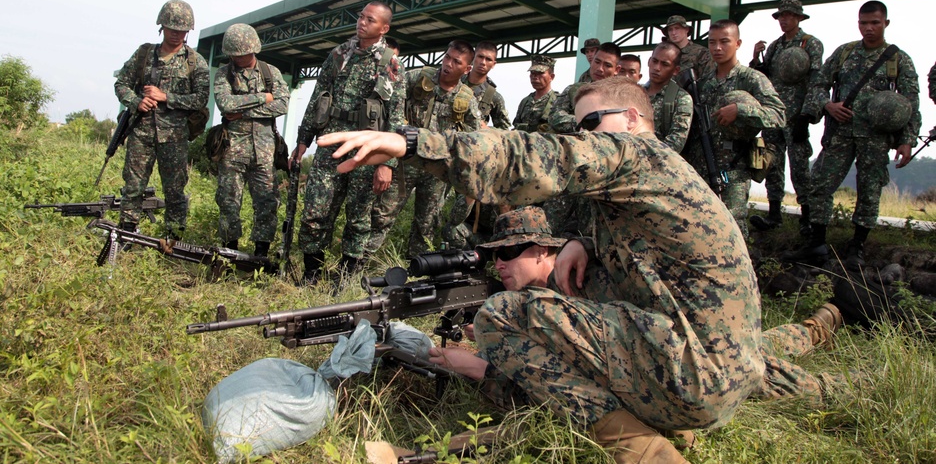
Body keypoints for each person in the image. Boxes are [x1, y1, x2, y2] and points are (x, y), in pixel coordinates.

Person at [314, 78, 783, 462]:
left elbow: (536, 157)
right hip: (724, 372)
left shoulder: (639, 154)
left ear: (634, 120)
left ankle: (645, 451)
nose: (585, 138)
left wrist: (413, 143)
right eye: (579, 129)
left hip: (694, 373)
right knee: (579, 290)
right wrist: (584, 241)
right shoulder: (653, 181)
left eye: (593, 124)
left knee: (502, 316)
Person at [429, 207, 844, 451]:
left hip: (687, 360)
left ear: (542, 252)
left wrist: (483, 371)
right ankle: (816, 326)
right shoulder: (534, 303)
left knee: (776, 375)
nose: (499, 264)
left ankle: (841, 376)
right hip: (682, 354)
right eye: (493, 256)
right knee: (766, 344)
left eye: (509, 253)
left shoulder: (590, 280)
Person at [789, 0, 922, 267]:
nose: (869, 28)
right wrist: (828, 105)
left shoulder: (898, 59)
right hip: (840, 133)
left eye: (875, 23)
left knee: (870, 191)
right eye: (864, 23)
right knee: (819, 186)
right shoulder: (844, 53)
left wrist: (907, 140)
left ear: (886, 23)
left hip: (875, 138)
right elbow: (818, 84)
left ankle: (857, 247)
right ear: (858, 23)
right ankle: (816, 244)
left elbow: (910, 102)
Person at [290, 1, 406, 284]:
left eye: (370, 19)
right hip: (330, 144)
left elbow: (396, 118)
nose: (362, 22)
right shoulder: (339, 54)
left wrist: (387, 163)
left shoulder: (390, 63)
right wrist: (303, 141)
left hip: (367, 150)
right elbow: (318, 96)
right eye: (361, 17)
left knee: (358, 218)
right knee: (315, 211)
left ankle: (346, 280)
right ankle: (311, 274)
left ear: (384, 28)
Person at [369, 40, 481, 257]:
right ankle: (357, 266)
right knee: (382, 215)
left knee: (427, 225)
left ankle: (416, 272)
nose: (448, 64)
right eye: (447, 57)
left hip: (436, 171)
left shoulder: (467, 99)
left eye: (456, 62)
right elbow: (390, 106)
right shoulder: (417, 77)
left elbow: (472, 139)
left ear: (467, 69)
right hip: (405, 162)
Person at [115, 0, 210, 238]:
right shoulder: (144, 54)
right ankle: (127, 232)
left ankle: (173, 237)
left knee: (175, 189)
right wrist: (136, 101)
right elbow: (122, 84)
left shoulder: (195, 61)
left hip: (175, 135)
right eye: (172, 29)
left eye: (182, 31)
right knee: (133, 187)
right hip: (141, 131)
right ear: (162, 27)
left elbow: (200, 99)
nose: (177, 34)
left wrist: (165, 97)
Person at [684, 20, 785, 237]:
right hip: (699, 168)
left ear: (738, 43)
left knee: (733, 230)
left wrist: (741, 110)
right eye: (712, 43)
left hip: (733, 170)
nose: (717, 48)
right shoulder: (702, 84)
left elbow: (778, 115)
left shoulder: (751, 78)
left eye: (724, 42)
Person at [211, 24, 290, 257]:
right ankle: (228, 252)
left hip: (264, 152)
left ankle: (260, 255)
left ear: (253, 49)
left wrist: (245, 112)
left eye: (241, 53)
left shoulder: (270, 72)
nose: (237, 58)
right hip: (232, 150)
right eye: (233, 54)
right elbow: (225, 105)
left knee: (267, 203)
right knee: (228, 202)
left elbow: (283, 104)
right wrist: (263, 98)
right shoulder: (224, 73)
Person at [747, 0, 824, 235]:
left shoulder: (811, 44)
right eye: (781, 16)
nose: (783, 20)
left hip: (796, 115)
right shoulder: (775, 47)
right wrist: (756, 59)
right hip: (773, 114)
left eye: (789, 16)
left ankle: (808, 217)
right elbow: (765, 78)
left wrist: (808, 114)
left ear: (799, 18)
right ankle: (774, 214)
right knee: (772, 162)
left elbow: (816, 81)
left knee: (800, 165)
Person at [549, 42, 621, 132]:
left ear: (617, 70)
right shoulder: (574, 90)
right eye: (597, 62)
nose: (600, 69)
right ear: (592, 61)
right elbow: (554, 116)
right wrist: (586, 122)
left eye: (607, 65)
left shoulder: (622, 95)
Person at [644, 42, 693, 153]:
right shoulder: (635, 93)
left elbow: (676, 141)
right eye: (655, 61)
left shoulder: (681, 99)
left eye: (664, 64)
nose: (657, 68)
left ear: (675, 70)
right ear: (649, 61)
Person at [461, 41, 510, 129]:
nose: (483, 62)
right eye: (480, 57)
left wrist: (487, 130)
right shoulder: (455, 82)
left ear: (493, 64)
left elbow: (504, 131)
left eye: (488, 59)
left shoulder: (494, 96)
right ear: (473, 58)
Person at [512, 55, 557, 132]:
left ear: (551, 77)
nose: (535, 77)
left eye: (540, 73)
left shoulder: (558, 101)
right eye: (533, 73)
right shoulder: (525, 101)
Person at [662, 15, 713, 81]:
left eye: (677, 28)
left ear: (686, 30)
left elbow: (707, 79)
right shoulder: (664, 54)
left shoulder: (701, 53)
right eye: (670, 30)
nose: (673, 33)